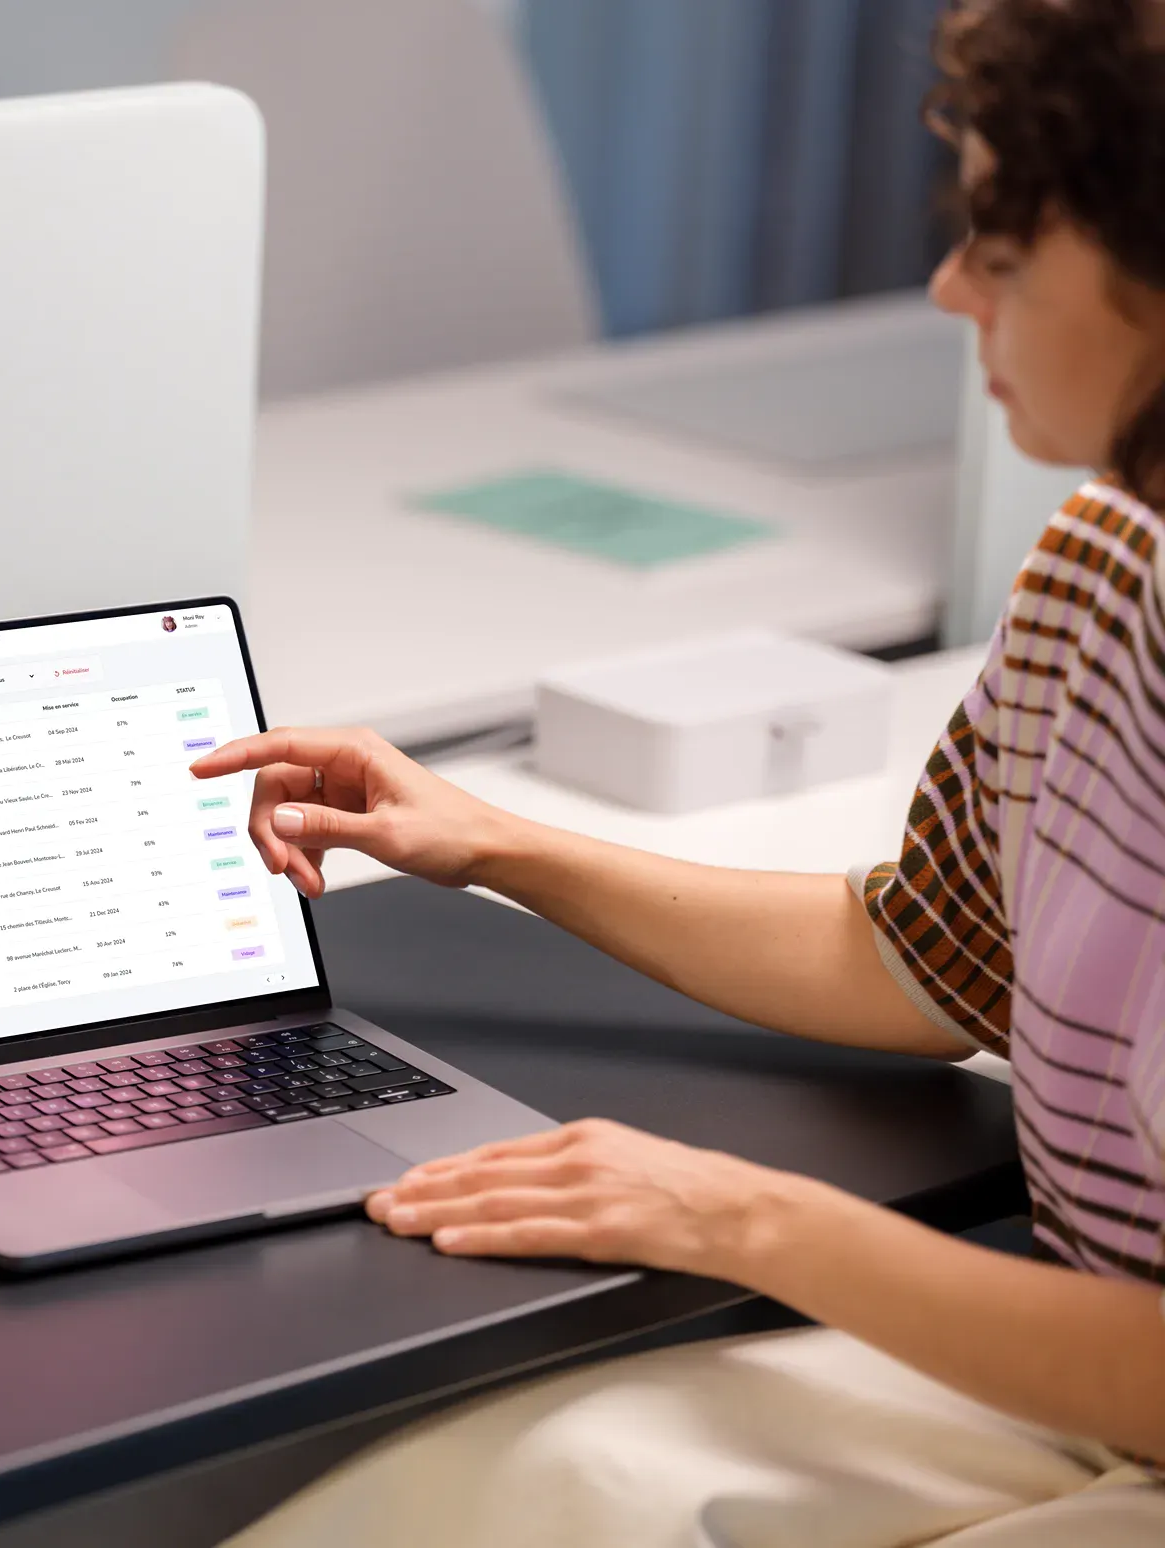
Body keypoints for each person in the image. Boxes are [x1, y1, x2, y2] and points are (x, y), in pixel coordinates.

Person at [198, 2, 1165, 1544]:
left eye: (1002, 244)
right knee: (501, 1491)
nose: (948, 288)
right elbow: (924, 958)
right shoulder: (1100, 568)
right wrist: (495, 842)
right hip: (1085, 1402)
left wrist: (741, 1216)